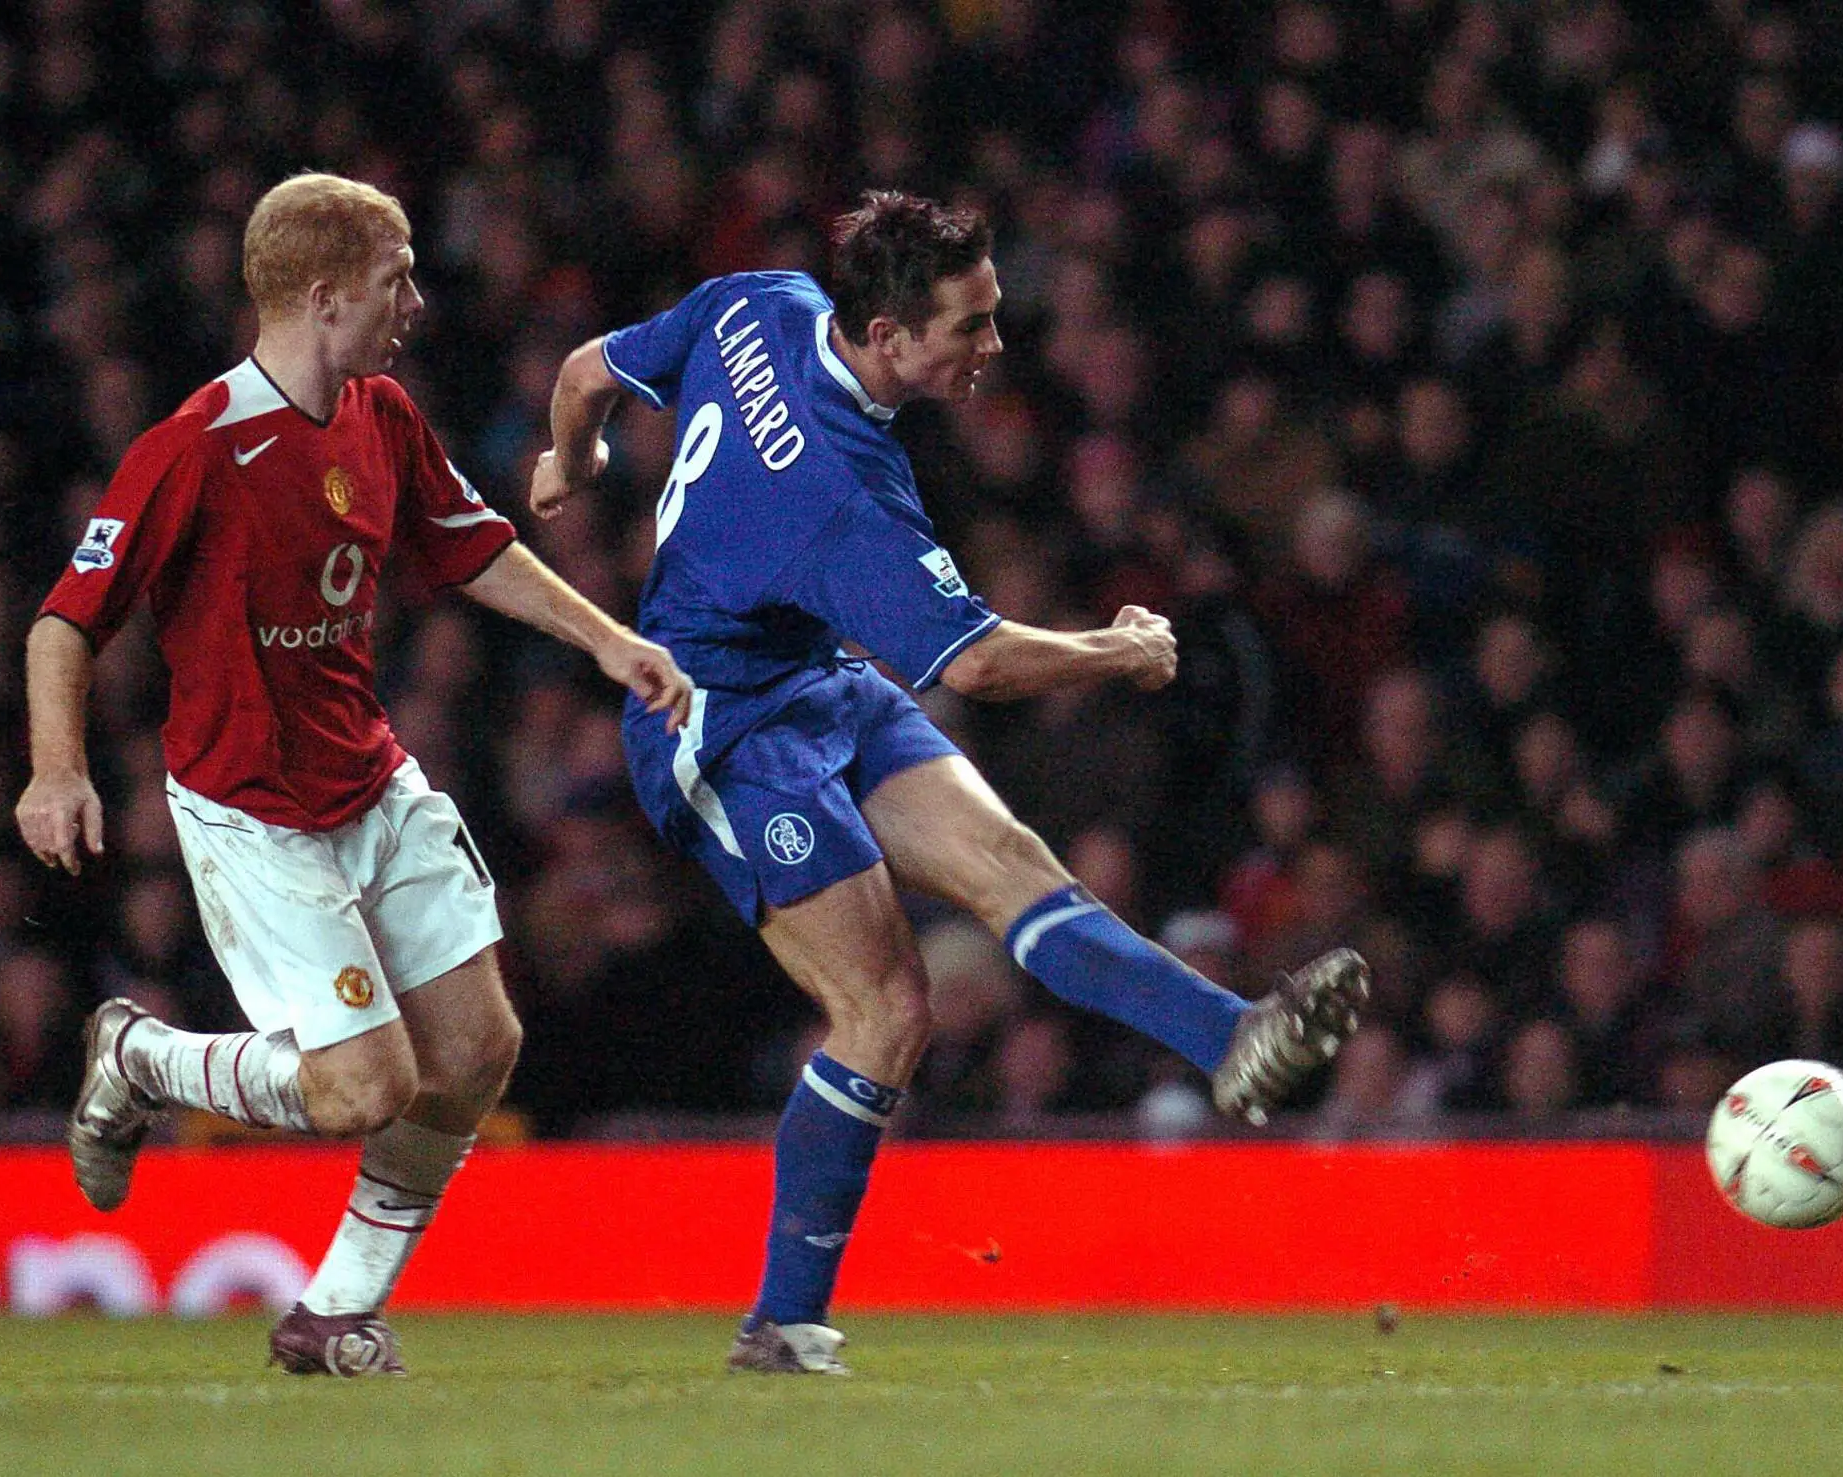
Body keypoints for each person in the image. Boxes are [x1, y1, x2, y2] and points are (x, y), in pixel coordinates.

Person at [532, 191, 1368, 1375]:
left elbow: (580, 372)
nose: (993, 347)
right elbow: (976, 661)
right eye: (968, 328)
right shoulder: (838, 493)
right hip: (719, 726)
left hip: (816, 680)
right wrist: (1120, 650)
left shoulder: (755, 302)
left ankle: (1233, 1036)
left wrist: (571, 467)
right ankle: (779, 1321)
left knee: (1015, 867)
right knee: (888, 1010)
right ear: (887, 338)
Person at [15, 173, 693, 1377]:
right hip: (253, 811)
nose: (416, 303)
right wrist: (55, 771)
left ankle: (334, 1312)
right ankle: (137, 1057)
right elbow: (63, 623)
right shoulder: (195, 448)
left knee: (479, 1047)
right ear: (327, 298)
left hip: (370, 782)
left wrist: (609, 638)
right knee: (360, 1089)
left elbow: (468, 544)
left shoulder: (381, 415)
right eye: (398, 281)